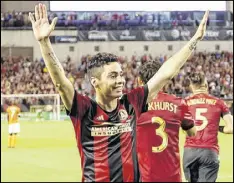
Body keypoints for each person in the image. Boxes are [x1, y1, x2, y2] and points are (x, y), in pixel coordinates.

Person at [29, 3, 209, 182]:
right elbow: (61, 82)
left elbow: (165, 73)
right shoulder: (84, 109)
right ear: (95, 82)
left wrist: (195, 39)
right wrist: (44, 43)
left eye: (121, 75)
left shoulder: (131, 103)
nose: (120, 80)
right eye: (113, 76)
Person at [136, 60, 197, 182]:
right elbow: (192, 132)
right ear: (163, 80)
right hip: (172, 176)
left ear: (140, 81)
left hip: (146, 176)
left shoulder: (133, 106)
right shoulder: (178, 103)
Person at [183, 72, 233, 182]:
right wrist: (218, 128)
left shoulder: (185, 102)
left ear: (191, 86)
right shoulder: (219, 103)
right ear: (206, 85)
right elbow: (231, 128)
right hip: (209, 152)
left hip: (189, 152)